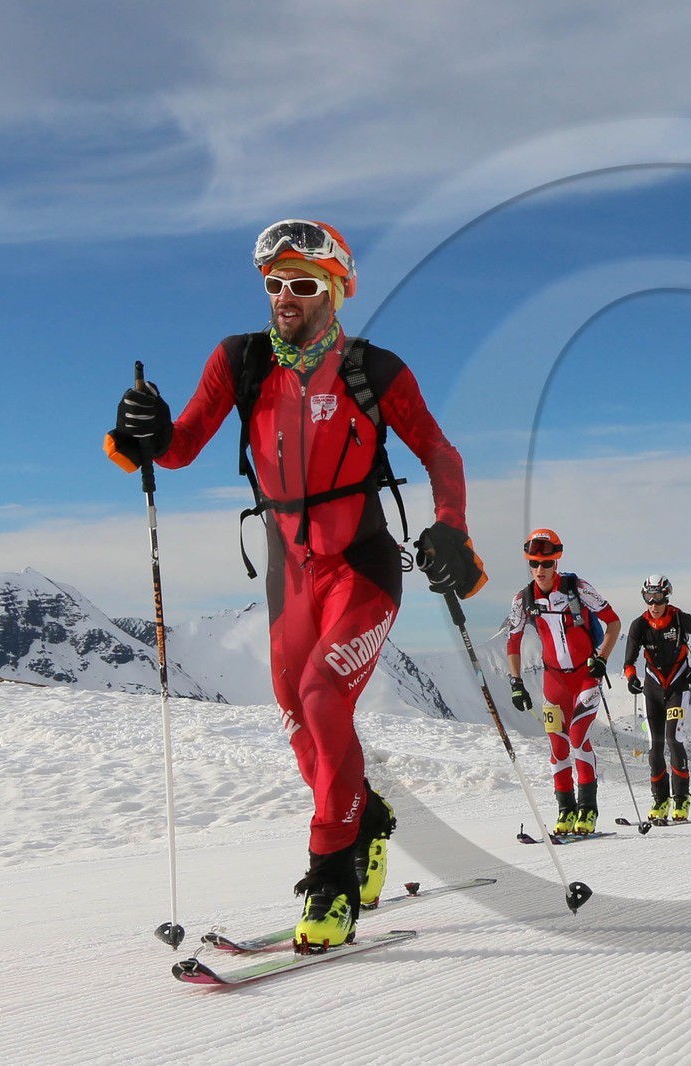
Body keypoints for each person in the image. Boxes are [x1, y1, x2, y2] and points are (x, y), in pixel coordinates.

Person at [103, 219, 487, 953]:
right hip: (290, 574)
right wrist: (142, 431)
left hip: (362, 569)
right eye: (273, 283)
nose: (284, 297)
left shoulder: (374, 370)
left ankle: (333, 877)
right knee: (296, 717)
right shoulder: (240, 361)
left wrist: (452, 530)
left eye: (302, 285)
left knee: (321, 695)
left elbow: (440, 452)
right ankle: (365, 817)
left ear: (337, 292)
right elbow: (179, 447)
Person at [505, 529, 621, 836]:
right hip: (553, 680)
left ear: (557, 561)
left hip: (586, 676)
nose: (540, 570)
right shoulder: (523, 599)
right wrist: (516, 682)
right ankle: (565, 810)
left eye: (547, 563)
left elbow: (613, 622)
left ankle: (588, 809)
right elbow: (513, 641)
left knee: (577, 737)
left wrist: (602, 657)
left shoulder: (578, 589)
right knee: (557, 746)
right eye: (534, 564)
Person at [621, 575, 691, 824]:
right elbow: (628, 662)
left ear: (667, 596)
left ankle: (681, 799)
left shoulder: (679, 618)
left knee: (674, 739)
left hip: (677, 686)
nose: (653, 604)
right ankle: (659, 800)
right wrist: (631, 678)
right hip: (652, 688)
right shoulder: (638, 625)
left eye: (658, 598)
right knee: (655, 746)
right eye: (648, 598)